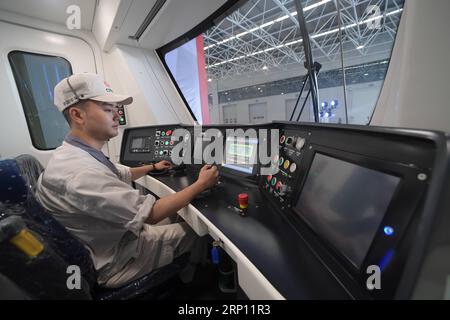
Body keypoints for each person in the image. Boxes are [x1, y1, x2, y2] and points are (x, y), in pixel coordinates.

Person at [35, 73, 219, 288]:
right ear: (77, 115)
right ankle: (194, 283)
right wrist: (201, 184)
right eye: (107, 109)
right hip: (114, 261)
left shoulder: (72, 153)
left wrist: (152, 167)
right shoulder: (81, 173)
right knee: (197, 232)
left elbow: (118, 174)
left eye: (116, 109)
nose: (116, 116)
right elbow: (151, 214)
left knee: (180, 216)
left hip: (104, 240)